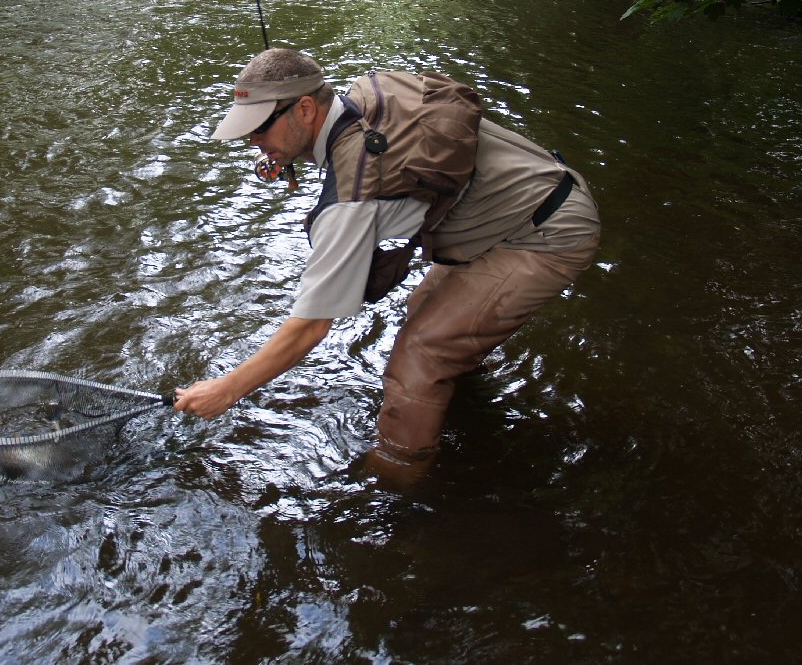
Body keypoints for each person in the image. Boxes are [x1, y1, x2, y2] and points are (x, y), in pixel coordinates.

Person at [174, 48, 600, 475]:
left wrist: (226, 390)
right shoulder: (363, 97)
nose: (252, 142)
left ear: (304, 109)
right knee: (423, 315)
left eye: (259, 130)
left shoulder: (351, 199)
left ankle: (398, 481)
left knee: (420, 356)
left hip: (544, 232)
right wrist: (287, 152)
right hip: (532, 193)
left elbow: (310, 326)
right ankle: (463, 397)